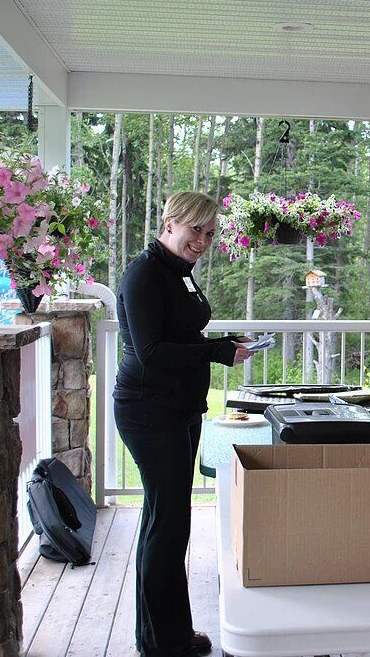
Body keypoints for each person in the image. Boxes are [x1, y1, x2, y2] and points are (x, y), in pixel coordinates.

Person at [114, 191, 252, 657]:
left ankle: (157, 635)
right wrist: (214, 351)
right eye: (197, 230)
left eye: (211, 233)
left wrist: (220, 342)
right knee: (168, 522)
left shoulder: (178, 274)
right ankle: (165, 642)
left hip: (177, 409)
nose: (204, 240)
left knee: (166, 519)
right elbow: (150, 353)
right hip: (148, 410)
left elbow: (181, 335)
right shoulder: (144, 274)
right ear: (170, 222)